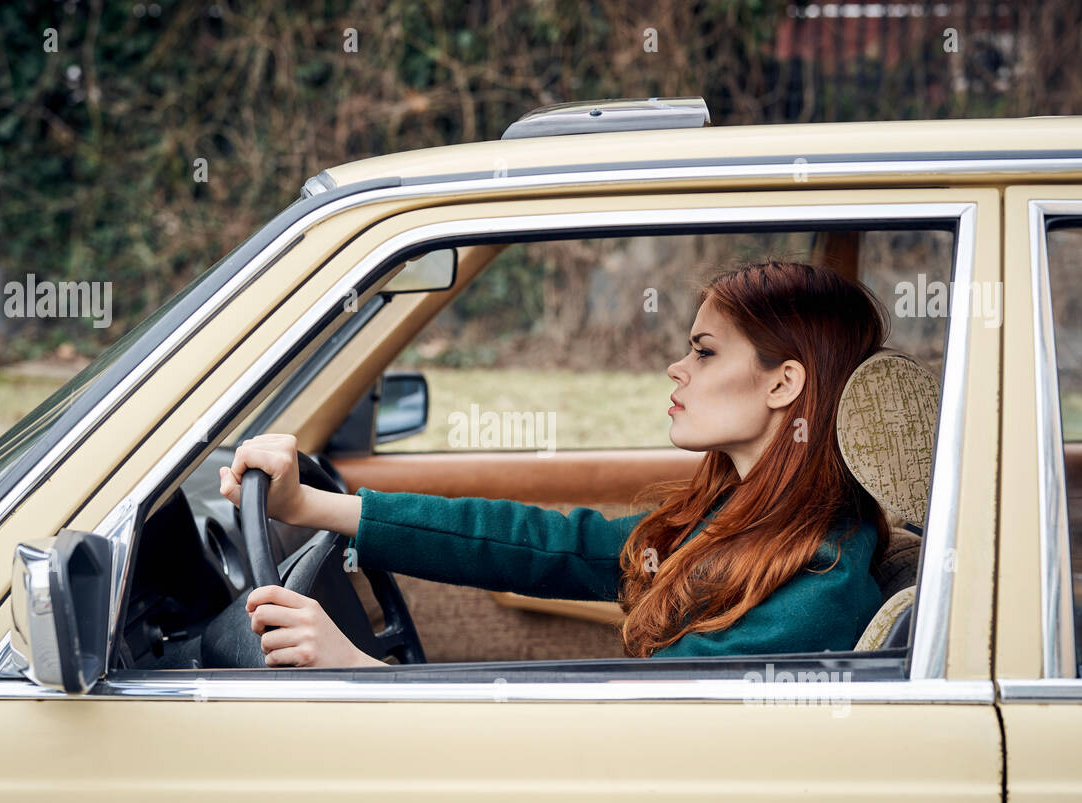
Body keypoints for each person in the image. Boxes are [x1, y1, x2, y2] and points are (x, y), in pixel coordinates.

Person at [219, 260, 892, 668]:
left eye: (706, 352)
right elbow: (545, 545)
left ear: (783, 385)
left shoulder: (821, 583)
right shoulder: (730, 519)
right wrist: (309, 507)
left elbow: (630, 728)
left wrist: (359, 671)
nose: (676, 367)